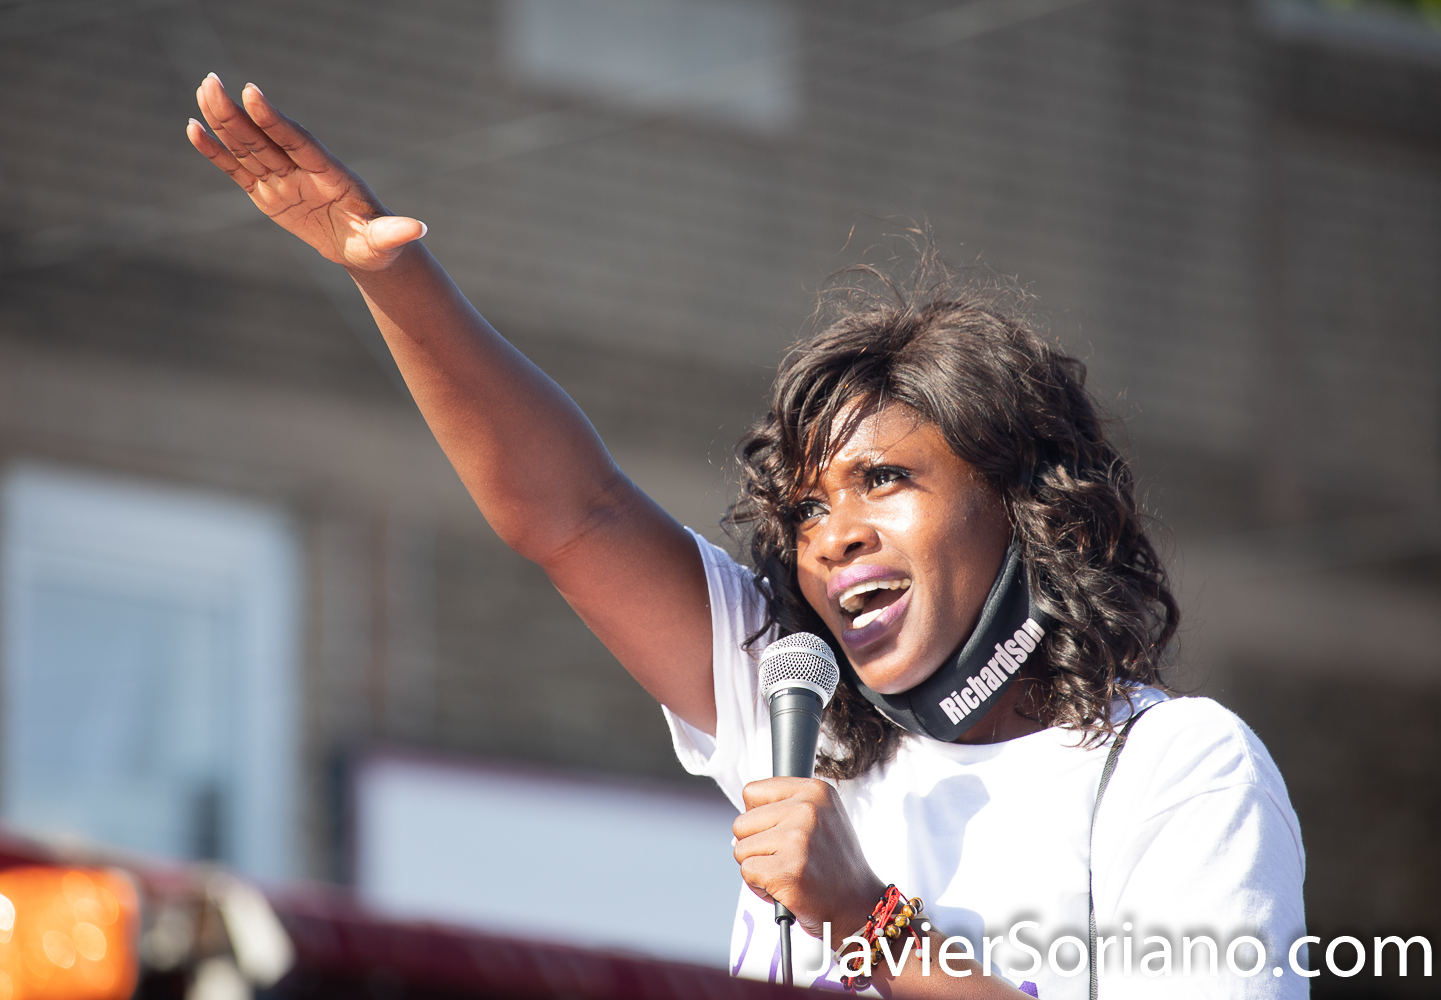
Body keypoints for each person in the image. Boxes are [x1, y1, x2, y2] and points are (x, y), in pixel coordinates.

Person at [187, 75, 1306, 998]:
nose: (834, 537)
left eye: (883, 481)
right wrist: (389, 272)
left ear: (1020, 499)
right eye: (809, 510)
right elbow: (572, 512)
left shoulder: (1175, 768)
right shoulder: (797, 717)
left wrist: (869, 921)